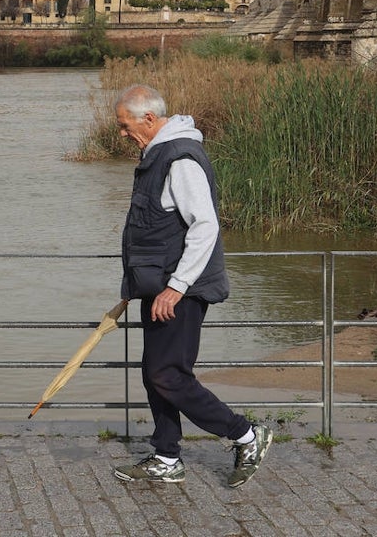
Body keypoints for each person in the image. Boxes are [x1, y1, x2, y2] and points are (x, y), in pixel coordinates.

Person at [110, 84, 271, 487]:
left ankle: (246, 435)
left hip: (180, 290)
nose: (122, 133)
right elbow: (155, 229)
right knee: (155, 372)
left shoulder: (179, 158)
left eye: (124, 125)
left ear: (148, 118)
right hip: (160, 287)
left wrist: (177, 286)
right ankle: (167, 456)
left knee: (168, 374)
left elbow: (206, 227)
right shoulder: (158, 153)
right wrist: (138, 283)